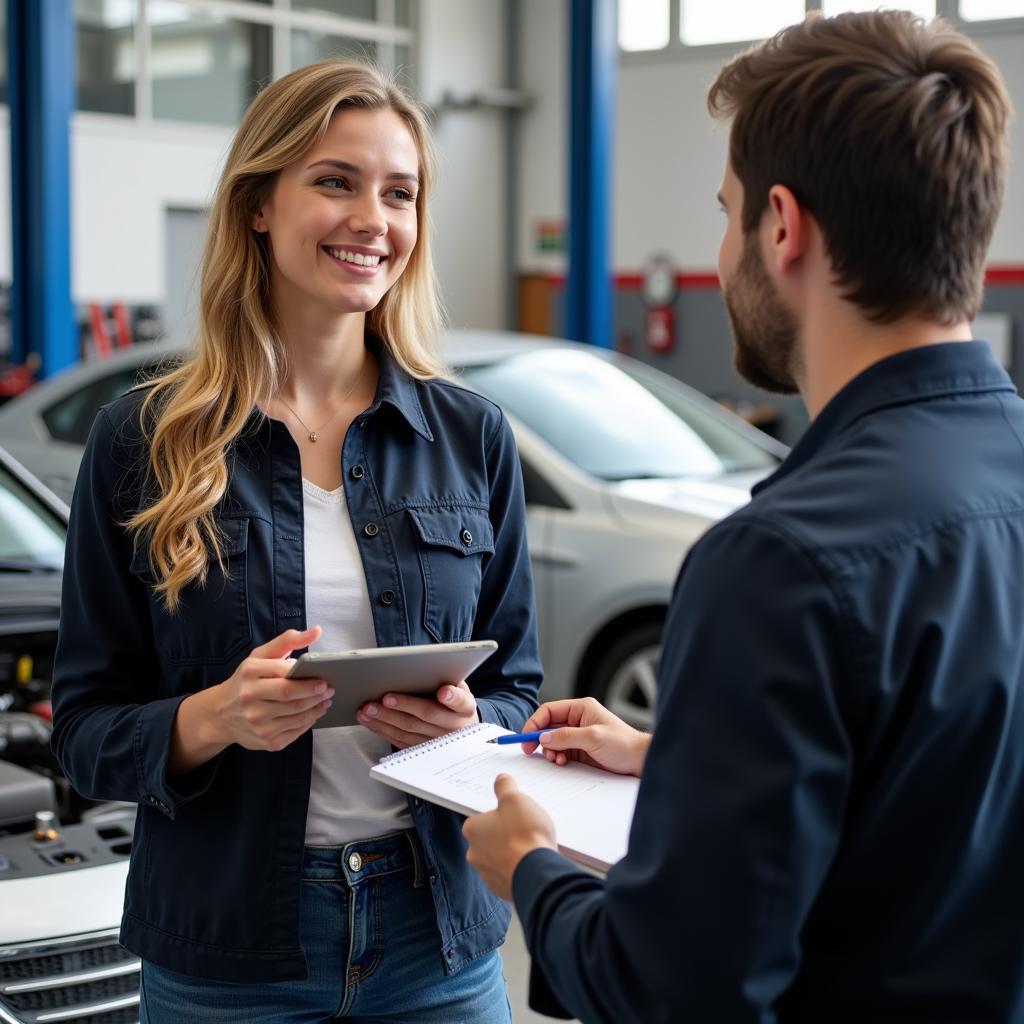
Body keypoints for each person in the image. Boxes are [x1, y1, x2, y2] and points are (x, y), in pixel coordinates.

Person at [463, 11, 1024, 1023]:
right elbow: (941, 785)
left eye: (723, 213)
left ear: (781, 224)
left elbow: (678, 988)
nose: (721, 255)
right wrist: (682, 754)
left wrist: (533, 873)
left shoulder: (780, 559)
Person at [50, 59, 541, 1023]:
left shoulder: (471, 437)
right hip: (228, 950)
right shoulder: (141, 439)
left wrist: (471, 726)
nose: (374, 219)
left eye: (398, 193)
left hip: (433, 938)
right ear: (258, 207)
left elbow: (518, 685)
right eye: (334, 181)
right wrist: (212, 719)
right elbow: (83, 731)